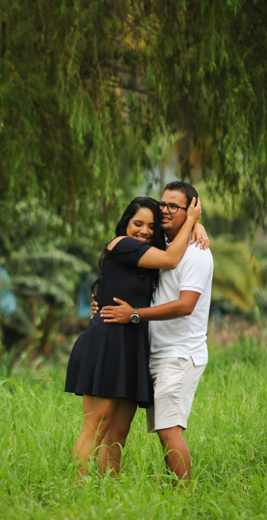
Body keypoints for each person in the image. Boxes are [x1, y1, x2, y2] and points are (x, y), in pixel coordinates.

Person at [66, 195, 202, 477]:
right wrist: (191, 219)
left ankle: (110, 494)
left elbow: (171, 243)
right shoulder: (121, 244)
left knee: (117, 432)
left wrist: (198, 227)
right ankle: (76, 494)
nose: (144, 231)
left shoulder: (144, 255)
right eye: (137, 223)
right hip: (107, 341)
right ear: (125, 223)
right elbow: (171, 258)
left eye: (151, 226)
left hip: (132, 345)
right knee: (96, 427)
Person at [98, 181, 214, 487]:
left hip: (180, 354)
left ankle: (185, 498)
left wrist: (134, 314)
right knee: (127, 429)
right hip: (152, 351)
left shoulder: (197, 254)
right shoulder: (162, 248)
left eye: (174, 206)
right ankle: (106, 490)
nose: (165, 210)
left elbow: (186, 305)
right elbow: (121, 277)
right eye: (163, 204)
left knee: (168, 429)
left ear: (191, 209)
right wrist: (103, 299)